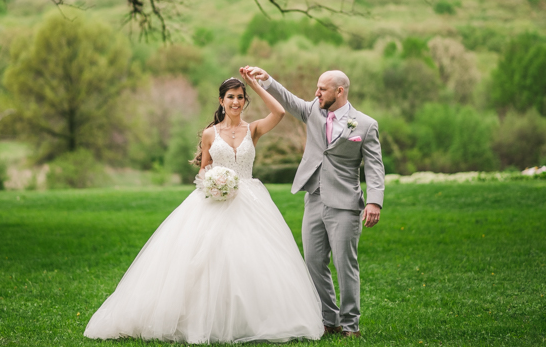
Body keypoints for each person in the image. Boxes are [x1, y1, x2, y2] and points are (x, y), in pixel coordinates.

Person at [84, 75, 324, 343]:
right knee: (204, 260)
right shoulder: (211, 134)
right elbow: (204, 171)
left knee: (250, 259)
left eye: (240, 97)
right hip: (214, 201)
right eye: (230, 97)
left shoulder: (253, 129)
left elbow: (279, 111)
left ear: (245, 102)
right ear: (221, 101)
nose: (235, 101)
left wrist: (257, 85)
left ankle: (251, 319)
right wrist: (212, 185)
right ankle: (199, 318)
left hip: (250, 200)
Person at [241, 66, 385, 338]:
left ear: (339, 91)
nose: (316, 92)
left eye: (322, 89)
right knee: (313, 262)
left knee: (345, 266)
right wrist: (267, 79)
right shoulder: (313, 111)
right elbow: (289, 100)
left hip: (345, 204)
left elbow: (375, 168)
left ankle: (351, 325)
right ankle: (328, 319)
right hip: (314, 199)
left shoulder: (365, 125)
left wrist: (374, 202)